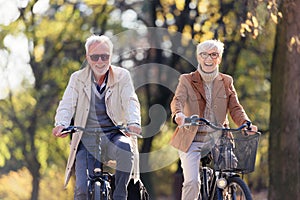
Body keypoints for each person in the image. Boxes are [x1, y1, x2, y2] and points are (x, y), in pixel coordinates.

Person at [52, 34, 142, 200]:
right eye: (95, 57)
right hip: (86, 138)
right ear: (87, 58)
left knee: (125, 148)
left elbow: (130, 101)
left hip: (114, 134)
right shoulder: (77, 78)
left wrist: (133, 122)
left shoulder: (122, 76)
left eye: (105, 56)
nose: (100, 61)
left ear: (110, 56)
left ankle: (120, 194)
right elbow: (67, 104)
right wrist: (61, 124)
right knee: (81, 190)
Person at [170, 39, 258, 200]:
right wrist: (179, 115)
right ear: (198, 57)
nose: (208, 59)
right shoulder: (187, 80)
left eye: (213, 55)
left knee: (231, 171)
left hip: (219, 137)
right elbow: (178, 100)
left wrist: (246, 123)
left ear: (219, 58)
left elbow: (235, 107)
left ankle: (227, 193)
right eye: (204, 55)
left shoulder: (226, 81)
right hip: (192, 138)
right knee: (192, 182)